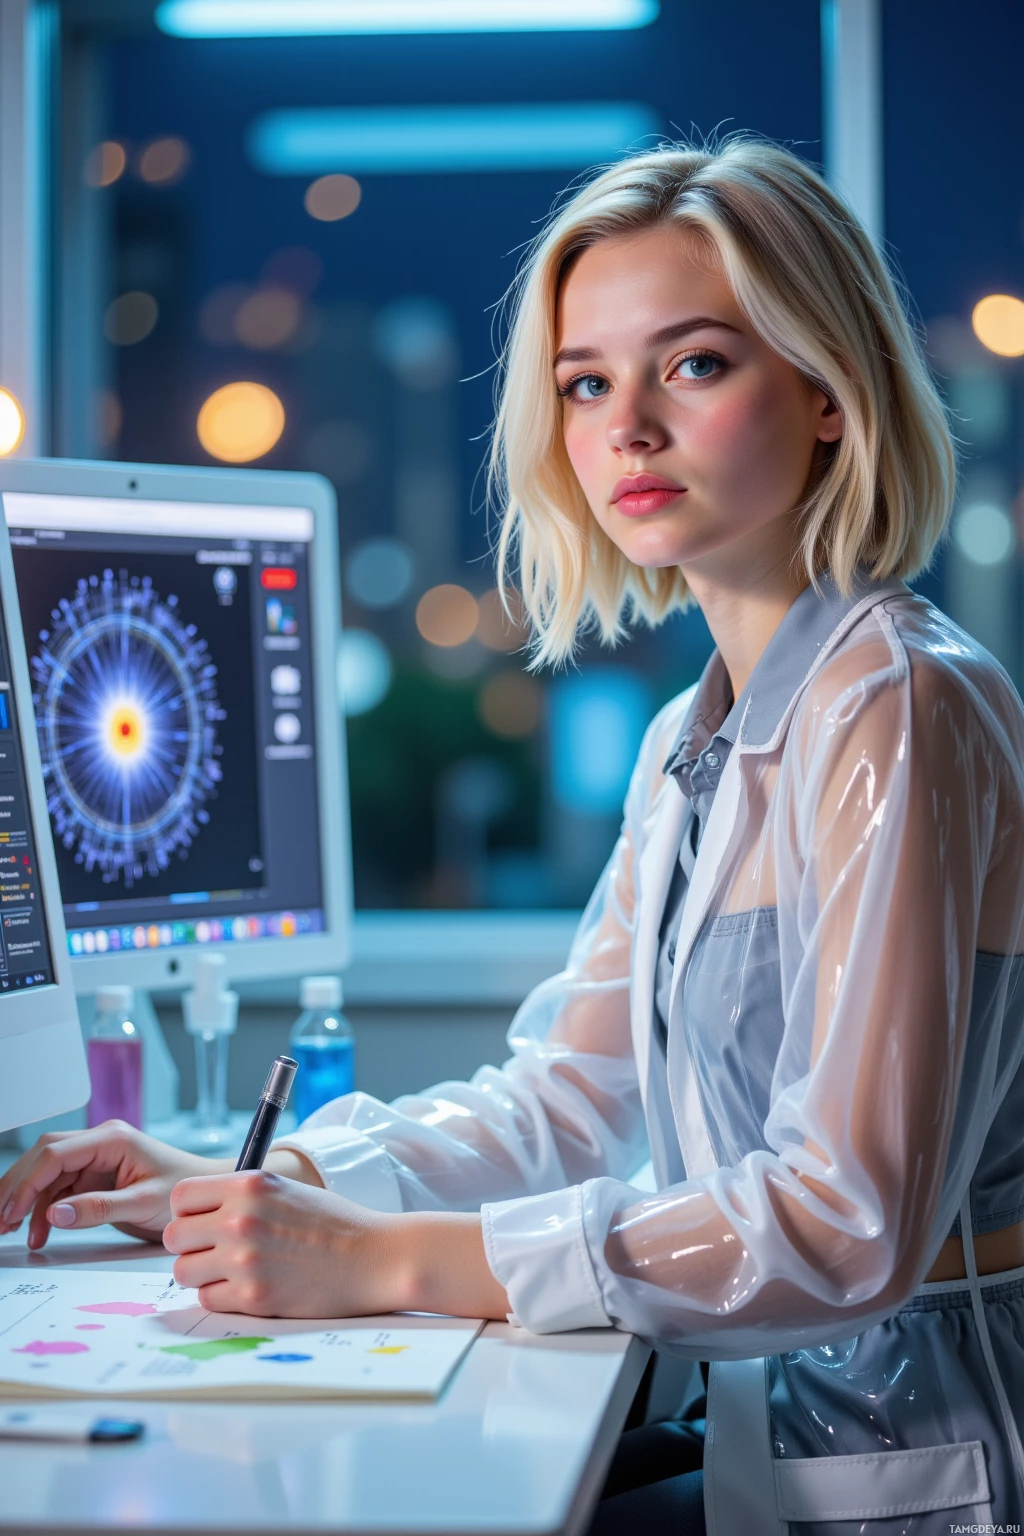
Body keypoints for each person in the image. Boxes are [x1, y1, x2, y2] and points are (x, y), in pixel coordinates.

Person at [3, 137, 1024, 1535]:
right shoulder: (694, 738)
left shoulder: (899, 700)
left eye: (696, 364)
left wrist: (390, 1262)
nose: (629, 428)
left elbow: (843, 1222)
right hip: (779, 1426)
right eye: (587, 383)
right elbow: (570, 1098)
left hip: (921, 1459)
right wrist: (263, 1185)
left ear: (831, 394)